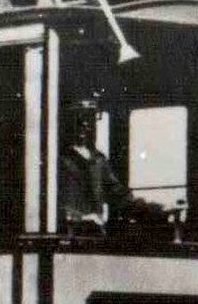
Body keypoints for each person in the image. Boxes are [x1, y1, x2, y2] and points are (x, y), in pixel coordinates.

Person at [58, 99, 162, 236]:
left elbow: (118, 196)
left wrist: (155, 209)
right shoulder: (57, 160)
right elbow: (49, 206)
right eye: (79, 118)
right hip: (65, 235)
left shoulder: (98, 160)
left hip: (95, 234)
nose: (84, 124)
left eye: (89, 118)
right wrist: (79, 218)